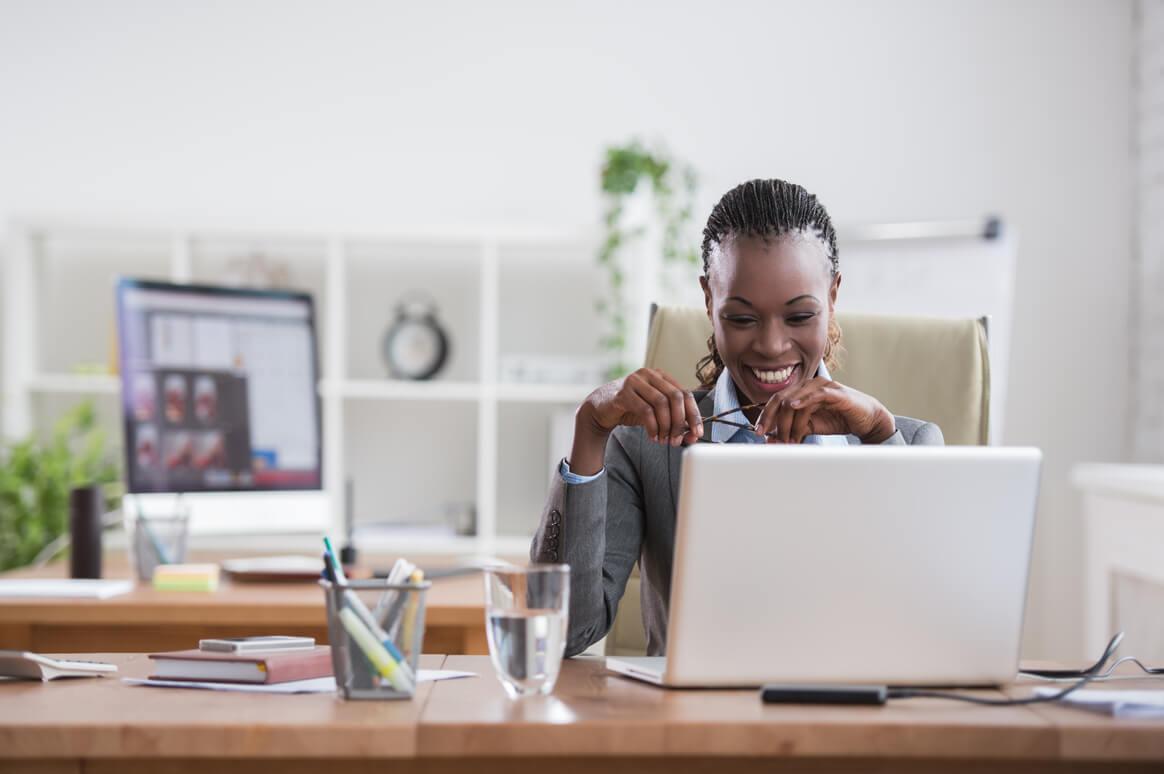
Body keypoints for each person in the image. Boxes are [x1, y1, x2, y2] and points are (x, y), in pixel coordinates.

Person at [531, 178, 944, 658]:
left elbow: (927, 630)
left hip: (851, 725)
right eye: (743, 319)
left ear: (833, 297)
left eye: (799, 317)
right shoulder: (643, 444)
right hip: (696, 727)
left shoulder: (907, 444)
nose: (771, 345)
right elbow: (561, 632)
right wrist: (591, 428)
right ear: (709, 300)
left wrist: (879, 434)